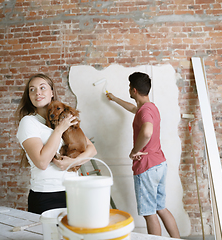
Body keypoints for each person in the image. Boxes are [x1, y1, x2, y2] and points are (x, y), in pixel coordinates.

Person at [106, 72, 181, 238]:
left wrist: (134, 151)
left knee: (149, 213)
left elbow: (147, 132)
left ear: (133, 90)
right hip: (160, 163)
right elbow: (134, 109)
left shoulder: (144, 111)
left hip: (147, 167)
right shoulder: (150, 107)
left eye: (129, 87)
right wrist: (115, 99)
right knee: (161, 207)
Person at [16, 73, 97, 214]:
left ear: (52, 92)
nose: (37, 93)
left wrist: (72, 162)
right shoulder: (28, 122)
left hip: (74, 191)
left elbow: (92, 149)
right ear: (29, 95)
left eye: (42, 88)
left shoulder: (63, 118)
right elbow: (42, 162)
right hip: (47, 195)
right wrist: (59, 129)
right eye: (32, 89)